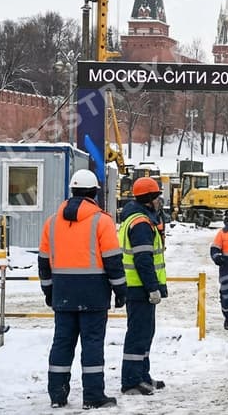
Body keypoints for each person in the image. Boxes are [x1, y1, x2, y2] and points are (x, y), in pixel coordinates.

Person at [38, 169, 125, 409]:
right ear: (94, 192)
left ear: (72, 191)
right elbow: (113, 260)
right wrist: (120, 291)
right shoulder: (102, 221)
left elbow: (44, 262)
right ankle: (93, 396)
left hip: (63, 294)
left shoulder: (52, 222)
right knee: (92, 344)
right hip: (94, 295)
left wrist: (48, 291)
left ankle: (57, 395)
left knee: (62, 343)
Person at [118, 177, 168, 396]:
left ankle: (142, 376)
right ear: (149, 199)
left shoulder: (139, 219)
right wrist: (152, 287)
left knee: (145, 333)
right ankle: (131, 382)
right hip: (139, 288)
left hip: (138, 288)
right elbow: (143, 260)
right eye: (156, 196)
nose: (159, 201)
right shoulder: (140, 223)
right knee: (138, 334)